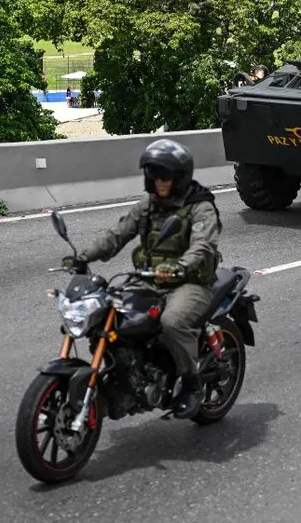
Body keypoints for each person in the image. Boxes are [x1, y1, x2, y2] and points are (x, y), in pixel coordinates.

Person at [62, 139, 222, 420]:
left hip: (190, 283)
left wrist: (180, 266)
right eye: (154, 175)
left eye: (165, 176)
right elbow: (117, 234)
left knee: (171, 322)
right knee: (107, 313)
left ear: (180, 177)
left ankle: (192, 385)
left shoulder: (200, 207)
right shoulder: (148, 205)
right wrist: (83, 256)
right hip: (148, 279)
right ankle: (127, 374)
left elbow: (202, 246)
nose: (159, 181)